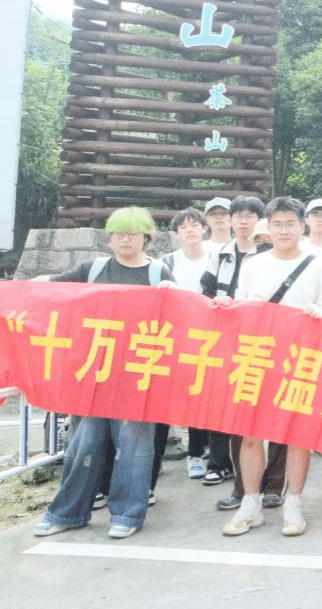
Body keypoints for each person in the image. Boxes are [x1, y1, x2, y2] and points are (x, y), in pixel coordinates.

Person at [33, 207, 175, 540]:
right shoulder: (93, 269)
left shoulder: (158, 273)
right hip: (93, 374)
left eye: (132, 233)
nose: (125, 240)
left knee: (134, 446)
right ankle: (67, 513)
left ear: (146, 237)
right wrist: (20, 288)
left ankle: (127, 513)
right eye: (118, 233)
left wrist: (175, 292)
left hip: (137, 376)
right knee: (84, 444)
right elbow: (51, 288)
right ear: (110, 238)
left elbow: (180, 317)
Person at [222, 197, 322, 538]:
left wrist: (320, 315)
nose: (284, 230)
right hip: (258, 355)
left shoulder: (319, 266)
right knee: (250, 433)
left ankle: (294, 502)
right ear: (267, 228)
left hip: (301, 357)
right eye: (277, 224)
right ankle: (250, 503)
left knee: (298, 435)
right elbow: (241, 307)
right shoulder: (254, 264)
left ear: (302, 226)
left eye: (290, 224)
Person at [198, 195, 271, 497]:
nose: (243, 221)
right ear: (230, 220)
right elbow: (205, 291)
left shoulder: (268, 252)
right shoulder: (220, 254)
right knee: (220, 400)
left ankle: (268, 480)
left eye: (249, 216)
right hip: (224, 336)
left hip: (262, 337)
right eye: (238, 215)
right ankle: (219, 463)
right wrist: (216, 303)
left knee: (262, 407)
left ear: (260, 220)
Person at [163, 207, 213, 481]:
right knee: (170, 397)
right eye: (184, 227)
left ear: (204, 228)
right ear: (177, 233)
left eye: (194, 225)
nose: (190, 230)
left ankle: (197, 453)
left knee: (200, 396)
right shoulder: (168, 262)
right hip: (175, 337)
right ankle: (157, 456)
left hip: (209, 337)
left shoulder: (216, 259)